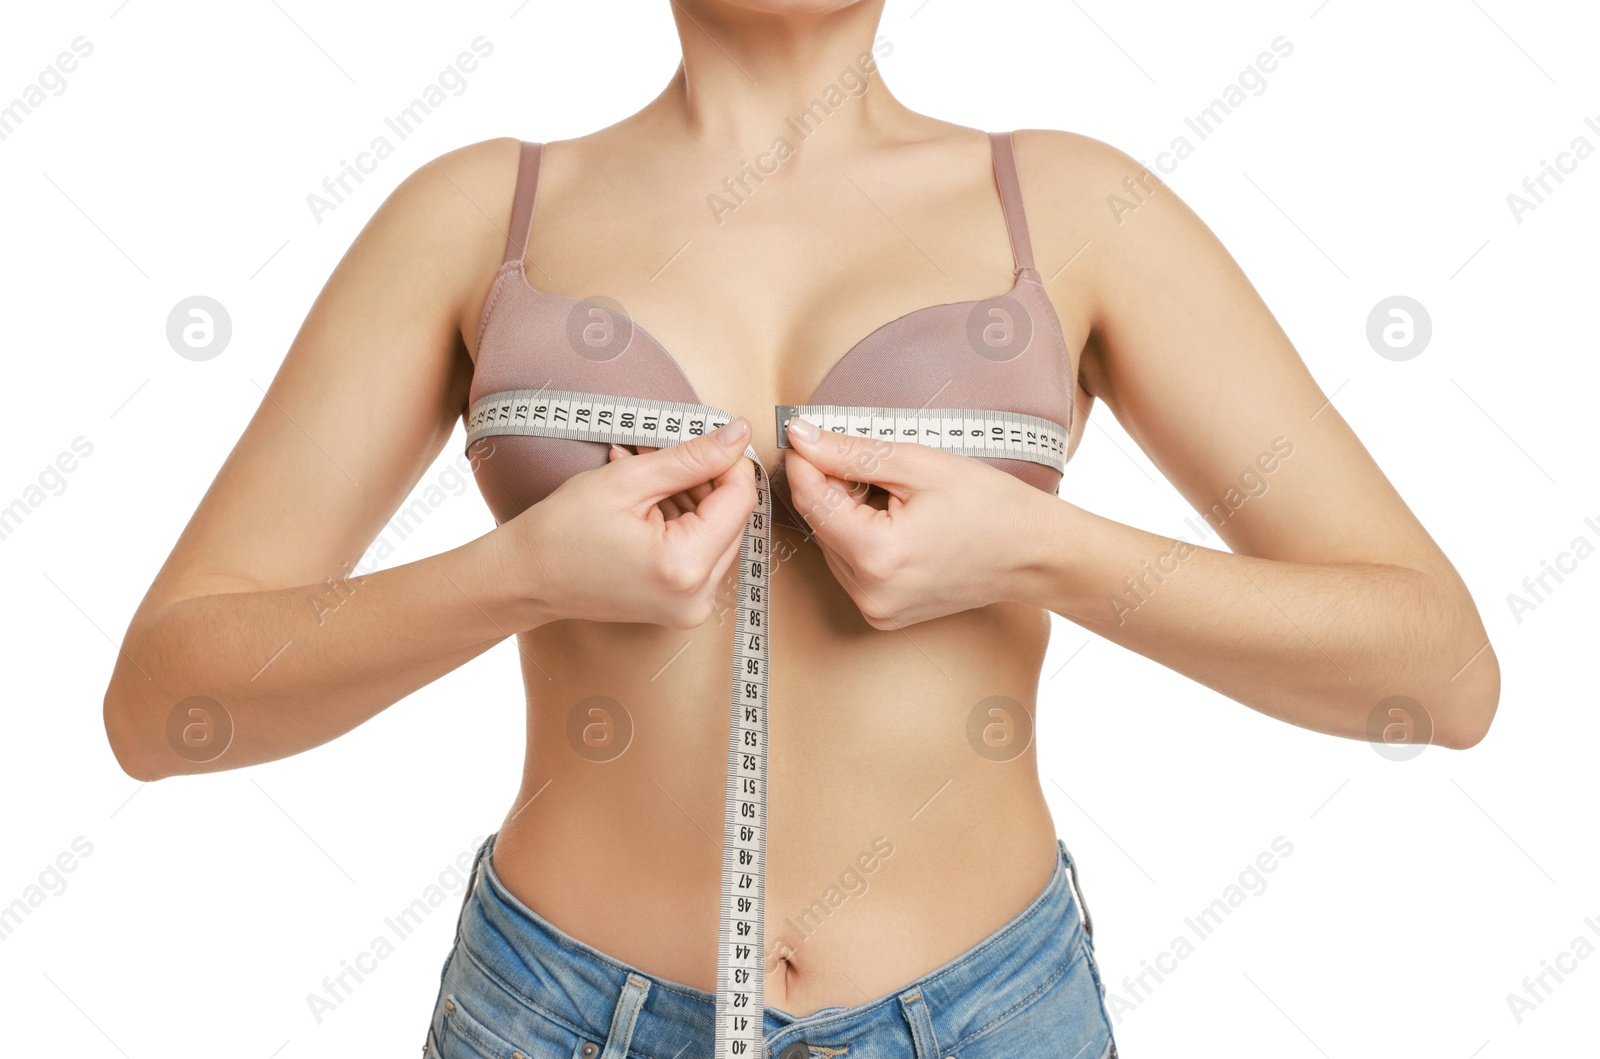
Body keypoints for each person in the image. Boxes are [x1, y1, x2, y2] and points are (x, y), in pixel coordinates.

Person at [101, 2, 1500, 1056]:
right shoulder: (481, 216)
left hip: (988, 1013)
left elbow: (1438, 674)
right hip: (557, 1012)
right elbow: (164, 706)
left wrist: (1040, 551)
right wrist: (518, 574)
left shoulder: (1074, 209)